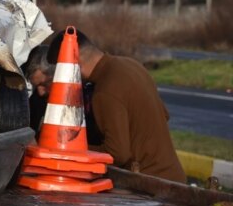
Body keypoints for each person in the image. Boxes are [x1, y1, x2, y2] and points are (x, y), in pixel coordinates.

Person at [46, 29, 186, 183]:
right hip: (174, 178)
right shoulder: (131, 64)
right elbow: (164, 115)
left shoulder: (104, 91)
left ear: (74, 63)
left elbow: (118, 154)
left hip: (149, 186)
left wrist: (71, 147)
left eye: (60, 71)